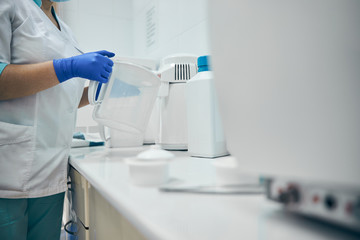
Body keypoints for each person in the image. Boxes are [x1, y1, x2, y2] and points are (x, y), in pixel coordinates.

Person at [0, 0, 115, 239]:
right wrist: (70, 67)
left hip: (51, 169)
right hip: (9, 168)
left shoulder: (65, 30)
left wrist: (101, 92)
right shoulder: (11, 5)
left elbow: (60, 97)